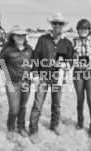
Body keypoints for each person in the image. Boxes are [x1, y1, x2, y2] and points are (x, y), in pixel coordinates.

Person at [29, 13, 74, 144]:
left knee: (56, 104)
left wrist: (66, 65)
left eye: (60, 23)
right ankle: (33, 130)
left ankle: (54, 124)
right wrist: (35, 74)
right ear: (51, 24)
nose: (57, 26)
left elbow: (71, 59)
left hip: (58, 77)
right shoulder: (43, 39)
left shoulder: (67, 43)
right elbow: (36, 56)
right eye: (55, 23)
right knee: (38, 105)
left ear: (63, 25)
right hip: (43, 76)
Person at [0, 25, 33, 140]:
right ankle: (10, 128)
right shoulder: (7, 50)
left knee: (22, 107)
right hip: (12, 83)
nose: (20, 37)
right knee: (14, 109)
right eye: (18, 35)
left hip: (26, 82)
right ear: (13, 36)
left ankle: (21, 127)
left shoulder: (29, 49)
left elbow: (34, 62)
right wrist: (10, 73)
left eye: (23, 35)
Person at [73, 19, 91, 138]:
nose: (83, 30)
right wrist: (76, 63)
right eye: (81, 28)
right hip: (78, 74)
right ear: (78, 30)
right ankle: (80, 122)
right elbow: (70, 56)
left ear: (89, 30)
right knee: (80, 99)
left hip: (90, 74)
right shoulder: (73, 41)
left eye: (85, 29)